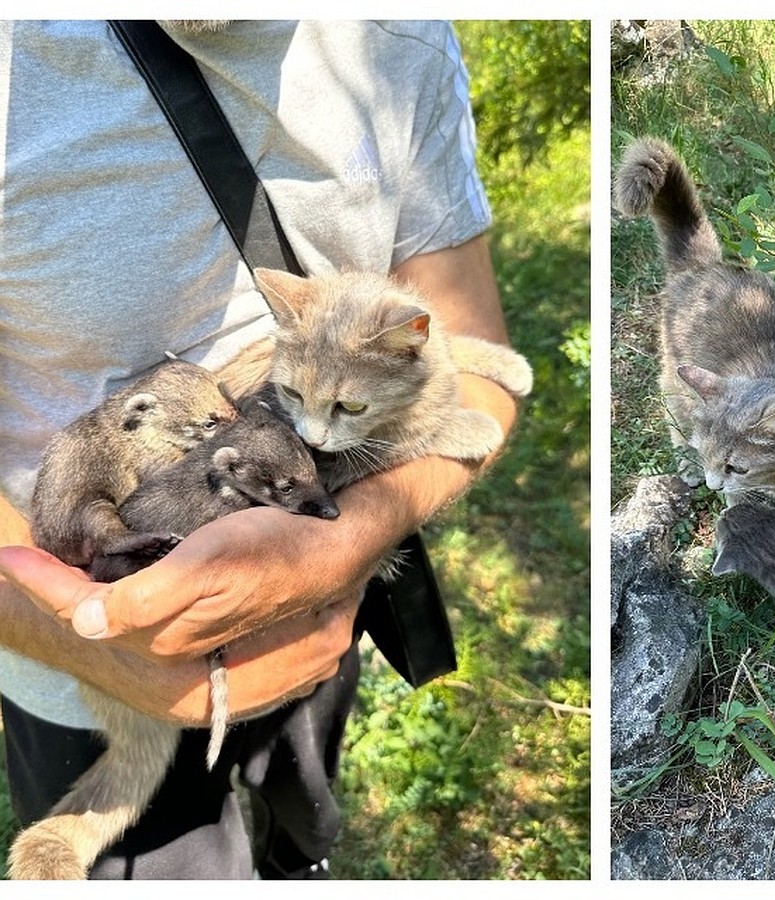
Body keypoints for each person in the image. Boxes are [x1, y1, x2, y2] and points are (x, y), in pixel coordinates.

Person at [0, 20, 519, 878]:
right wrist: (83, 637)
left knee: (309, 821)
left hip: (323, 624)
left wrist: (349, 542)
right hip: (86, 672)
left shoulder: (403, 37)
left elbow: (477, 362)